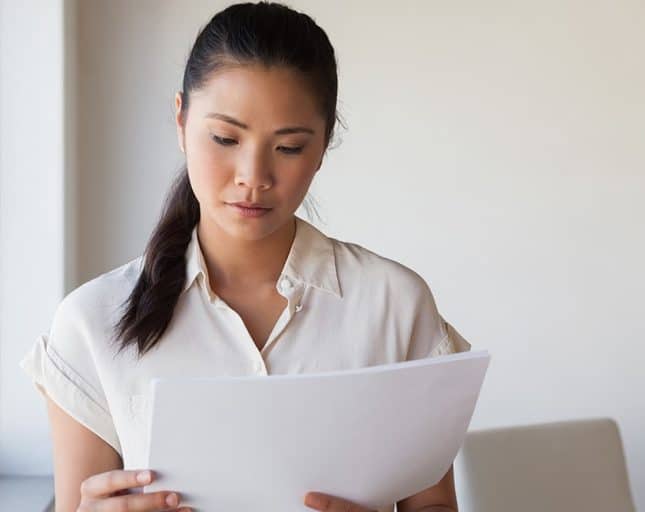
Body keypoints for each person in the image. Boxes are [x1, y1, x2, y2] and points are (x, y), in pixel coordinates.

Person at [20, 2, 471, 511]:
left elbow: (434, 504)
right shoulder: (92, 321)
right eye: (225, 138)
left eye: (290, 147)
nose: (253, 176)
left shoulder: (394, 305)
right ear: (181, 121)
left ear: (323, 147)